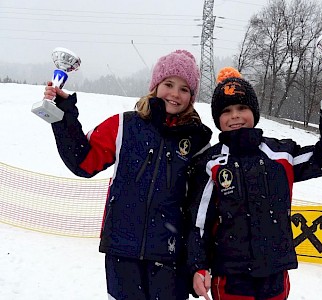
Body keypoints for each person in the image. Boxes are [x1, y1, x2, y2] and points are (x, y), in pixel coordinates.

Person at [43, 50, 212, 300]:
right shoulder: (125, 125)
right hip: (122, 250)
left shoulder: (197, 141)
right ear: (155, 86)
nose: (175, 94)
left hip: (170, 257)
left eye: (184, 89)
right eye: (168, 84)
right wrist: (64, 114)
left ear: (192, 97)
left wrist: (199, 262)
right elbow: (83, 161)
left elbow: (201, 209)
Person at [186, 67, 322, 300]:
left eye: (242, 108)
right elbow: (198, 223)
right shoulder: (210, 163)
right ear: (217, 118)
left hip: (275, 275)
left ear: (254, 111)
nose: (235, 116)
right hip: (231, 277)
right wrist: (197, 266)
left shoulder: (280, 154)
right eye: (227, 110)